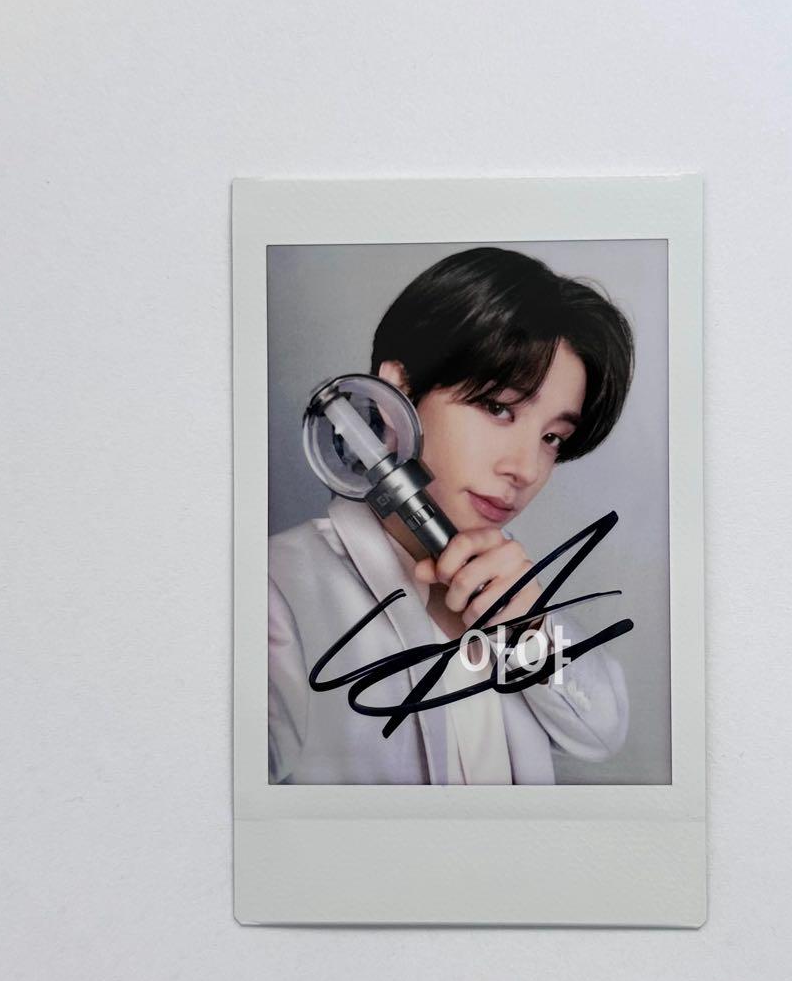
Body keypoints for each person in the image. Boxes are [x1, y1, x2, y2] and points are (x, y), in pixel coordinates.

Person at [268, 246, 635, 784]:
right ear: (396, 391)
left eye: (552, 437)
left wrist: (532, 632)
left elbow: (602, 733)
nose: (525, 468)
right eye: (498, 407)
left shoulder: (516, 594)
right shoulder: (277, 588)